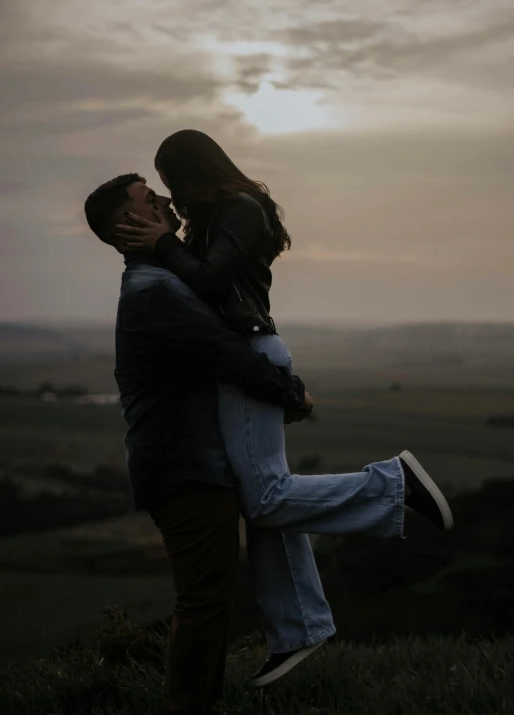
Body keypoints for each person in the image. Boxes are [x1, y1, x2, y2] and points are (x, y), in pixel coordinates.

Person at [112, 130, 454, 688]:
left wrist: (162, 244)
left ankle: (393, 485)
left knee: (266, 498)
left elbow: (211, 280)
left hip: (249, 352)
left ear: (194, 171)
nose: (170, 199)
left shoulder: (241, 209)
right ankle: (297, 628)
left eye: (171, 183)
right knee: (265, 494)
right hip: (242, 358)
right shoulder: (210, 218)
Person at [84, 173, 313, 715]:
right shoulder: (154, 290)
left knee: (209, 597)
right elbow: (223, 354)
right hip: (184, 468)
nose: (164, 198)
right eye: (148, 198)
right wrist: (292, 394)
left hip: (188, 464)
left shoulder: (162, 278)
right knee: (203, 600)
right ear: (129, 223)